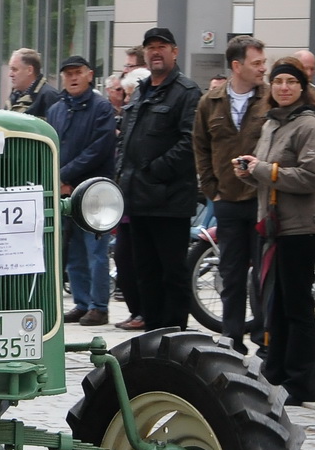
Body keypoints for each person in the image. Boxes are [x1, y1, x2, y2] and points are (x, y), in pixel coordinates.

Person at [234, 59, 315, 404]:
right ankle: (277, 370)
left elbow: (310, 178)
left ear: (303, 88)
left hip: (299, 229)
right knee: (274, 305)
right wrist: (250, 170)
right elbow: (268, 169)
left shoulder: (309, 126)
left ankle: (302, 382)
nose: (284, 87)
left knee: (297, 307)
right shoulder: (273, 123)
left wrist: (263, 170)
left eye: (291, 82)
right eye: (278, 82)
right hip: (273, 227)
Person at [116, 27, 202, 330]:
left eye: (162, 46)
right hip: (137, 199)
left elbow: (189, 142)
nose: (156, 52)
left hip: (169, 200)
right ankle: (153, 333)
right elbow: (125, 139)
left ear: (174, 52)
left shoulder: (187, 92)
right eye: (150, 47)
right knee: (145, 272)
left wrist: (154, 171)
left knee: (172, 273)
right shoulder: (140, 91)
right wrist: (122, 173)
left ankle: (175, 334)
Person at [191, 35, 269, 346]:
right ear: (237, 66)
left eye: (264, 62)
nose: (263, 68)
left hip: (262, 200)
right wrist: (212, 190)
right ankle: (231, 336)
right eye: (257, 63)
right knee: (231, 274)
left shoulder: (270, 98)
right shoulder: (209, 102)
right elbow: (200, 147)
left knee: (262, 276)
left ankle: (264, 337)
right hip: (227, 202)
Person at [49, 55, 118, 327]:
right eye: (68, 74)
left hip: (94, 191)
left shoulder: (101, 108)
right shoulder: (57, 109)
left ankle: (99, 306)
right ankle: (81, 302)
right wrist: (57, 178)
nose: (73, 78)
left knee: (96, 251)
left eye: (78, 72)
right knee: (74, 250)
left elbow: (98, 149)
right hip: (64, 191)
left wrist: (64, 175)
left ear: (90, 75)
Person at [6, 48, 60, 116]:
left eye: (14, 69)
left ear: (29, 70)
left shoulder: (49, 96)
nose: (10, 74)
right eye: (10, 69)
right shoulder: (15, 95)